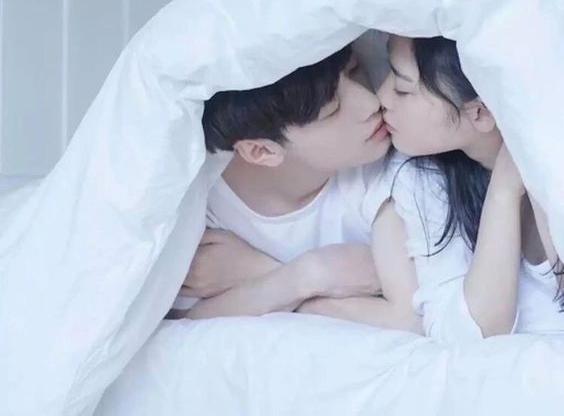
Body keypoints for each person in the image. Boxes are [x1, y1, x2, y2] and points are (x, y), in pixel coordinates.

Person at [173, 43, 421, 333]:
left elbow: (412, 320)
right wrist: (305, 277)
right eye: (333, 110)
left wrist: (269, 274)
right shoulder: (200, 205)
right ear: (262, 151)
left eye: (354, 71)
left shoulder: (386, 173)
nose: (370, 102)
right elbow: (182, 325)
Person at [375, 34, 564, 342]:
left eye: (402, 88)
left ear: (480, 112)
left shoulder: (553, 158)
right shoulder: (422, 175)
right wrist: (503, 191)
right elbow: (463, 335)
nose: (380, 96)